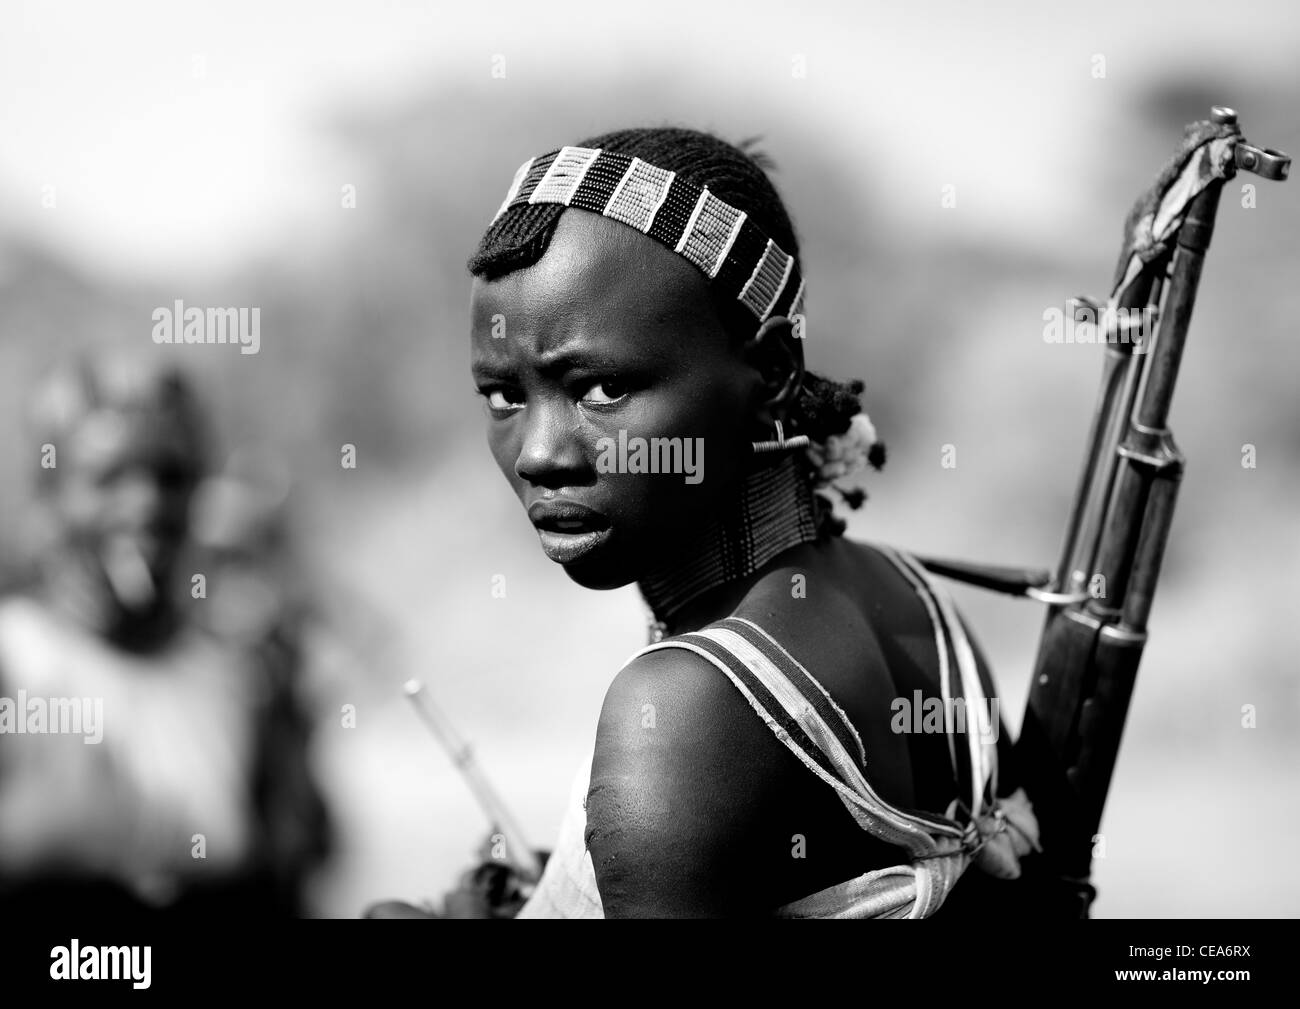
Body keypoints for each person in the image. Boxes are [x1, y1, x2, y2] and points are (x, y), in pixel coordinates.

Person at [457, 126, 1045, 919]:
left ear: (769, 375)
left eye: (599, 388)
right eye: (504, 396)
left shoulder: (684, 708)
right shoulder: (913, 603)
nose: (538, 453)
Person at [0, 356, 330, 917]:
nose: (146, 505)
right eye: (107, 479)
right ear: (50, 498)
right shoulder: (14, 664)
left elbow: (294, 873)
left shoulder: (243, 677)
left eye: (170, 477)